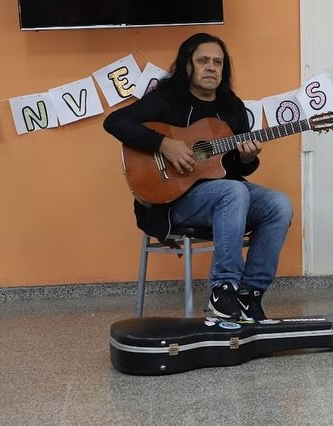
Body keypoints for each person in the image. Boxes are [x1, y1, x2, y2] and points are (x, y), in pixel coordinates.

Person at [104, 33, 293, 322]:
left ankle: (249, 295)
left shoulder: (232, 107)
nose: (211, 67)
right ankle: (223, 289)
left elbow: (237, 169)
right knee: (233, 191)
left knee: (279, 204)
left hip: (226, 198)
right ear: (187, 65)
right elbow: (115, 121)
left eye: (218, 62)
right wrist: (163, 144)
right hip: (173, 200)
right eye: (203, 60)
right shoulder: (168, 99)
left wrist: (247, 158)